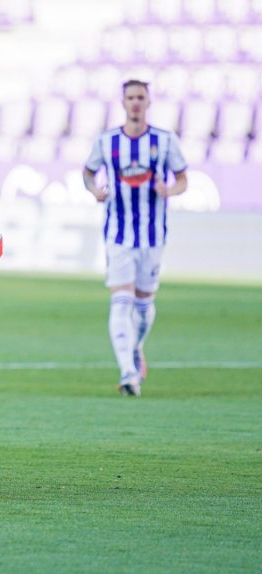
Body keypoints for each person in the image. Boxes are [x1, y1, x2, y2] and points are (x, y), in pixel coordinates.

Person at [83, 80, 187, 397]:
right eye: (131, 97)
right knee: (121, 301)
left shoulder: (165, 141)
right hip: (118, 235)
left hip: (153, 236)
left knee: (143, 307)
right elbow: (88, 172)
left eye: (141, 97)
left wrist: (169, 190)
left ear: (149, 101)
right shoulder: (106, 141)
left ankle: (136, 348)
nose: (136, 103)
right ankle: (128, 373)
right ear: (123, 102)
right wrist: (95, 190)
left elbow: (183, 178)